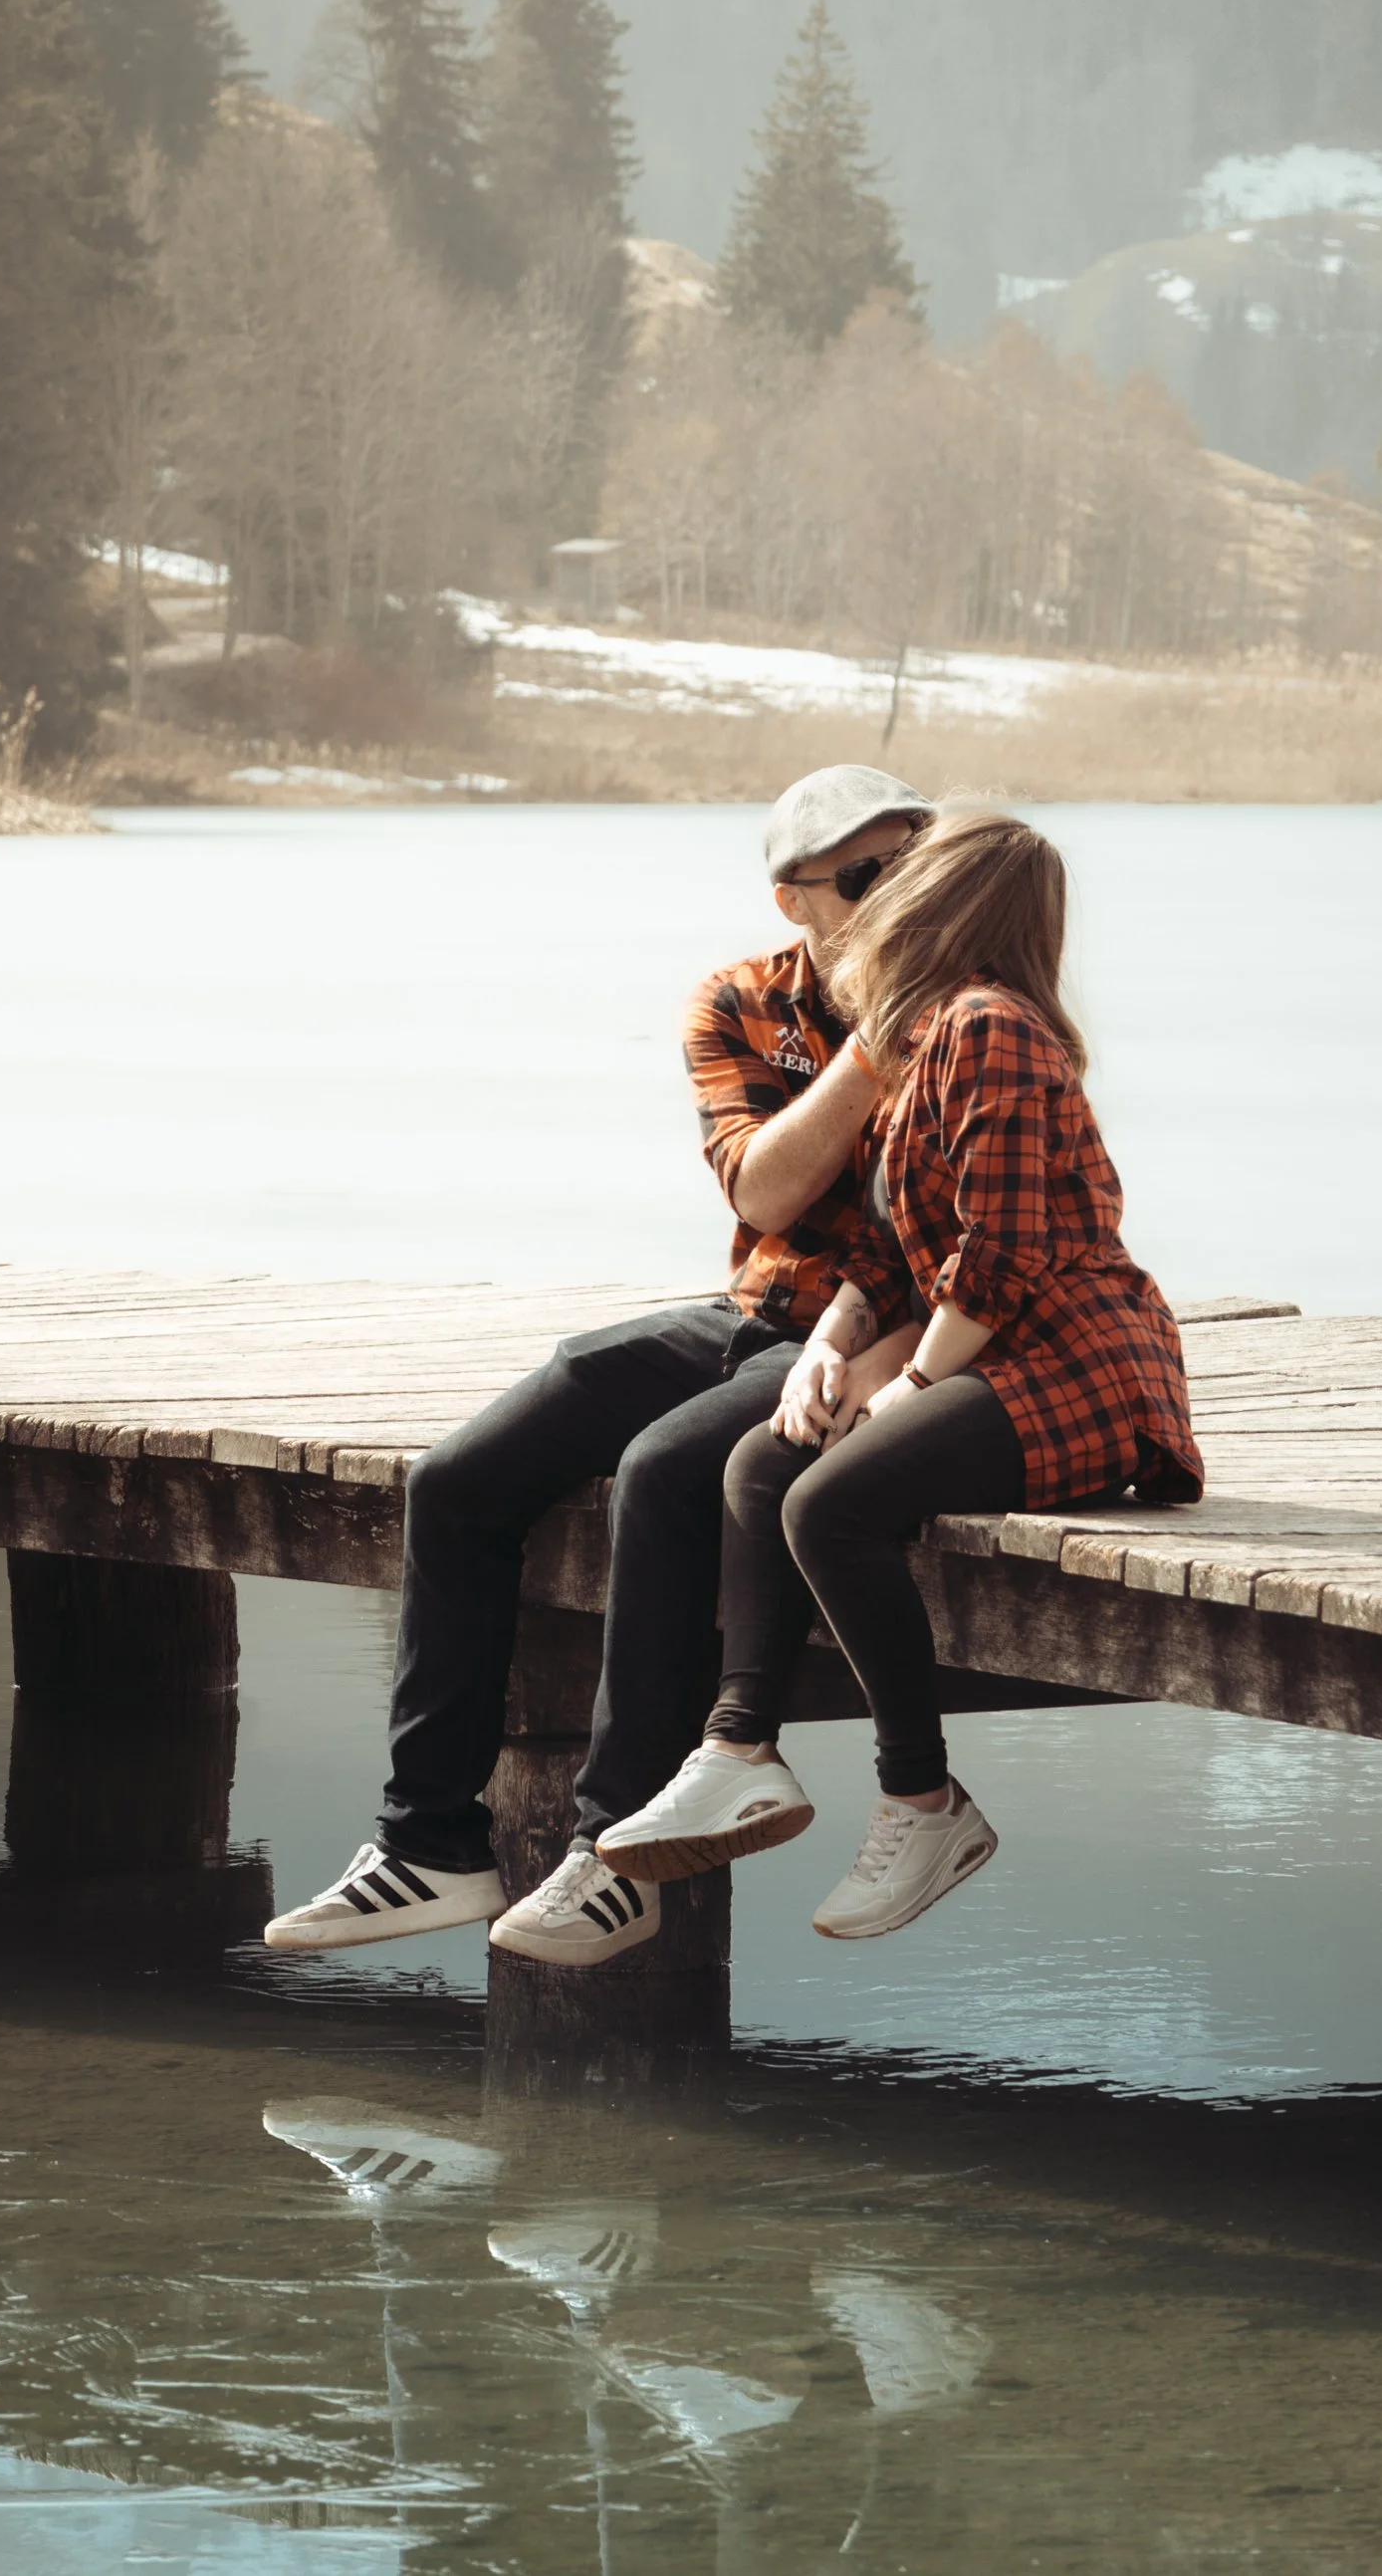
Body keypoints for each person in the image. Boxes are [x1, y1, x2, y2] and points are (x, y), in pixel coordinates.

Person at [261, 764, 931, 1970]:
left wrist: (901, 1018)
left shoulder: (968, 1011)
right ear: (796, 899)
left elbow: (954, 1245)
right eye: (869, 874)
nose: (899, 893)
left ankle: (611, 1851)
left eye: (915, 865)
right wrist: (866, 1049)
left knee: (665, 1470)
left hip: (890, 1340)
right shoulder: (739, 999)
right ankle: (429, 1844)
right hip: (761, 1310)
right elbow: (763, 1185)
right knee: (459, 1480)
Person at [596, 807, 1201, 1942]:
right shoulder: (925, 1039)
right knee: (761, 1464)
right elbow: (886, 1245)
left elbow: (1001, 1250)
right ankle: (736, 1750)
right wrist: (828, 1348)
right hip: (1005, 1357)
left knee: (831, 1503)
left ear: (942, 904)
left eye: (905, 883)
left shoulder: (993, 1029)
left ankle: (922, 1799)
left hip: (1085, 1367)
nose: (880, 903)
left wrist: (913, 1384)